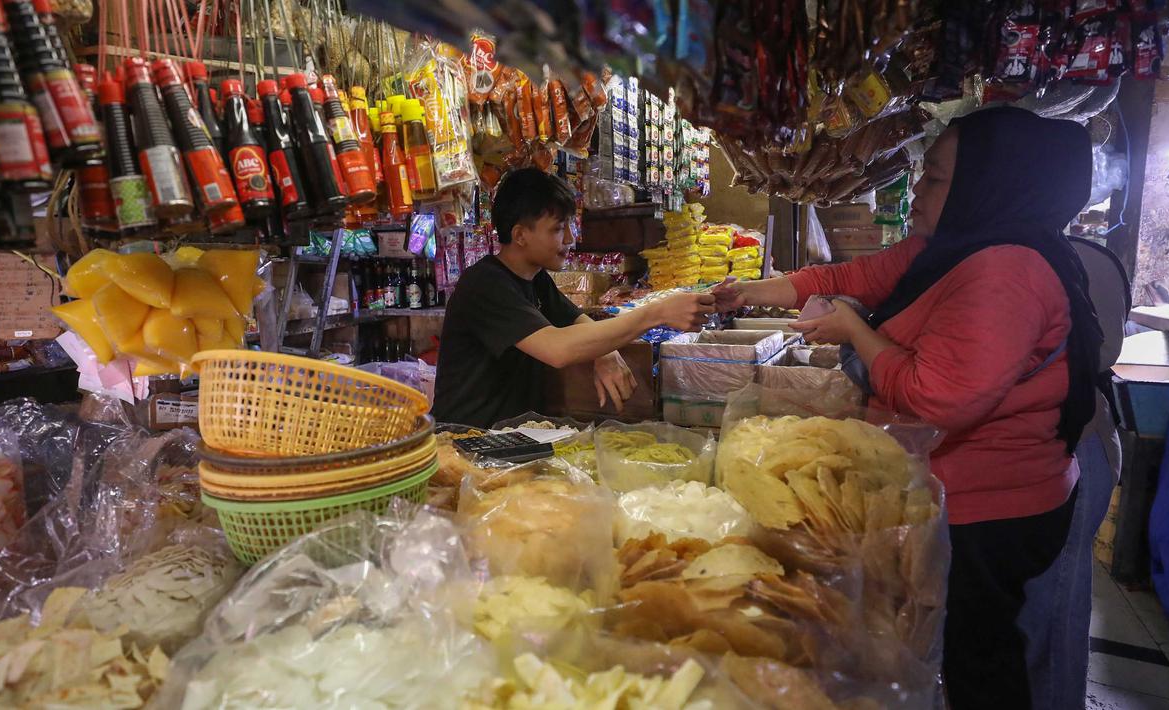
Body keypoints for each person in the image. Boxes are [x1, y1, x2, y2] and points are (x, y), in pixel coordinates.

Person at [712, 106, 1103, 710]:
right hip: (951, 492)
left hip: (990, 509)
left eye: (938, 176)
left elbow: (939, 395)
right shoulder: (948, 249)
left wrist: (855, 333)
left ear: (988, 183)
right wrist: (746, 293)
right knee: (945, 645)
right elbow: (855, 274)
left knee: (978, 657)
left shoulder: (1008, 270)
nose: (918, 186)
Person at [433, 168, 715, 428]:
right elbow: (559, 349)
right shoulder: (485, 285)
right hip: (466, 442)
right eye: (557, 229)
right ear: (520, 235)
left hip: (512, 440)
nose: (571, 237)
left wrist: (604, 351)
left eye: (570, 225)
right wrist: (657, 313)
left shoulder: (537, 279)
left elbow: (579, 324)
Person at [1017, 236, 1129, 710]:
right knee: (1031, 607)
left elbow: (1098, 354)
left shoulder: (1077, 259)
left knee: (1053, 607)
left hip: (1072, 448)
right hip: (1044, 451)